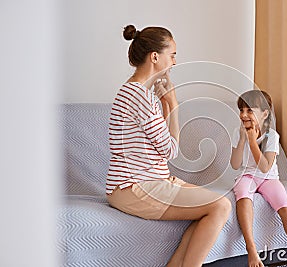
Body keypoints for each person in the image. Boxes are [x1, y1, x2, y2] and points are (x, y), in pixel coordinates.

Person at [106, 25, 231, 267]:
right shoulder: (141, 97)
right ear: (155, 57)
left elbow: (159, 142)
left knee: (208, 209)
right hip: (136, 187)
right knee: (220, 206)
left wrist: (164, 104)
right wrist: (172, 102)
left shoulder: (132, 92)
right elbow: (170, 151)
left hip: (142, 183)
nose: (174, 62)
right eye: (172, 54)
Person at [230, 90, 287, 267]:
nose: (244, 115)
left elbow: (265, 166)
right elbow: (235, 165)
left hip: (268, 177)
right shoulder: (238, 133)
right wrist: (243, 141)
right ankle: (251, 250)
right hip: (247, 175)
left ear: (265, 113)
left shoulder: (271, 136)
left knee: (284, 205)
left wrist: (253, 142)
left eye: (249, 110)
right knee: (243, 193)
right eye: (241, 110)